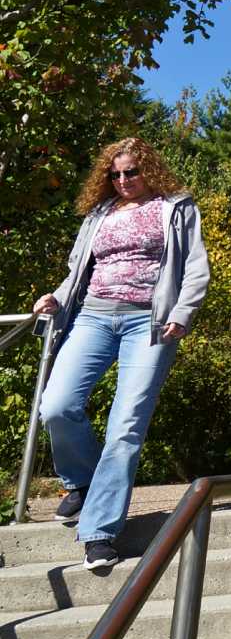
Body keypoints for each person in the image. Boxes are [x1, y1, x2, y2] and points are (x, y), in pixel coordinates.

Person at [32, 137, 210, 574]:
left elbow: (195, 267)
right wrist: (54, 298)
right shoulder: (100, 213)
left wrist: (183, 313)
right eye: (115, 174)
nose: (124, 180)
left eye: (131, 171)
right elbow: (79, 271)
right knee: (56, 406)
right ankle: (83, 481)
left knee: (125, 425)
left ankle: (99, 531)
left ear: (148, 168)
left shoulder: (176, 206)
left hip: (147, 324)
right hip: (91, 317)